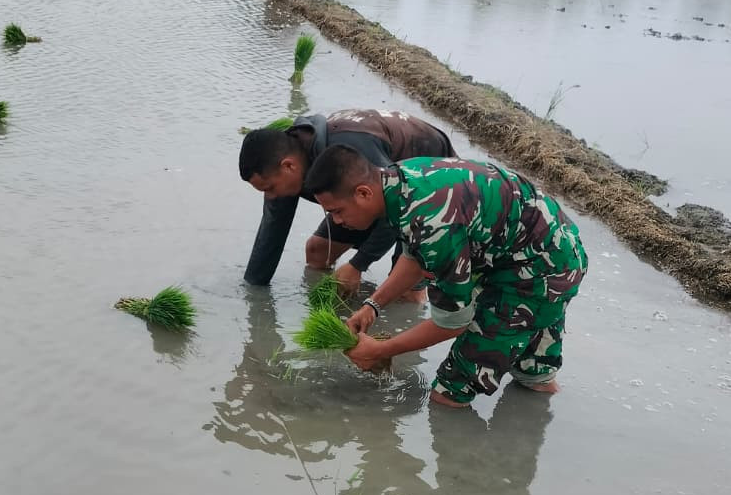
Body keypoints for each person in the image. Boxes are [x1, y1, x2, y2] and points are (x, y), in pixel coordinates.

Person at [303, 146, 588, 409]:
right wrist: (372, 306)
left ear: (363, 193)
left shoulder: (429, 220)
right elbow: (414, 258)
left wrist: (380, 350)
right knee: (531, 376)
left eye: (336, 212)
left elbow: (451, 322)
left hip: (539, 274)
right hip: (545, 249)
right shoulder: (401, 180)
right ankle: (539, 419)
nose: (336, 222)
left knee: (448, 393)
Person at [240, 109, 454, 295]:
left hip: (424, 184)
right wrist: (254, 293)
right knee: (317, 251)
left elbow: (395, 203)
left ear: (288, 166)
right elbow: (272, 232)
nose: (271, 196)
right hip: (372, 192)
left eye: (269, 188)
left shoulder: (350, 151)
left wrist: (358, 265)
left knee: (405, 286)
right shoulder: (287, 164)